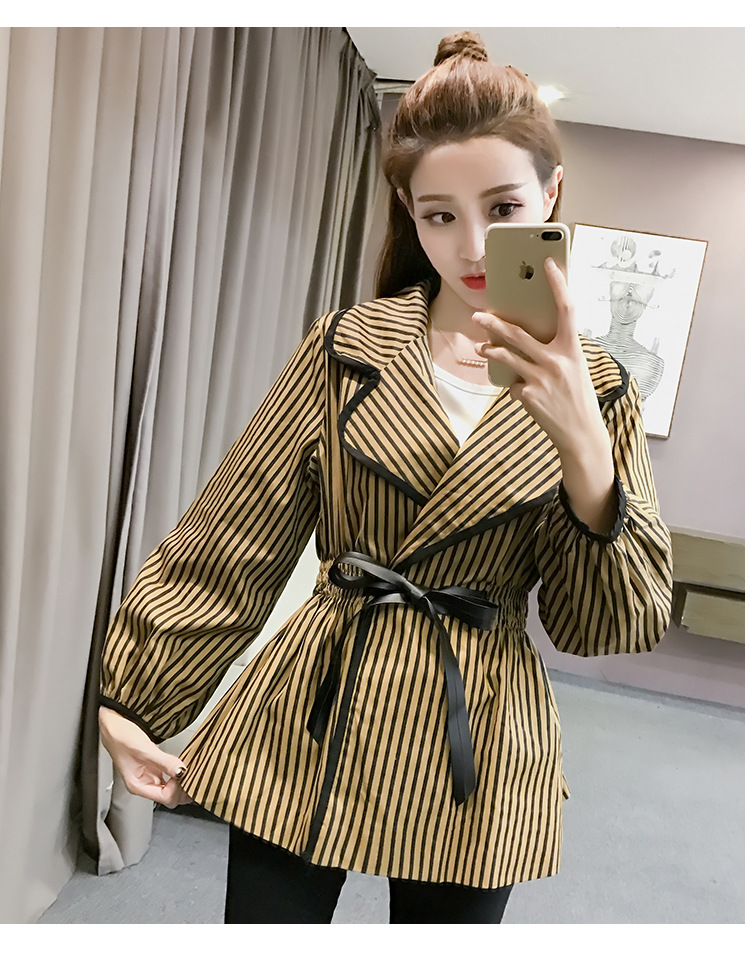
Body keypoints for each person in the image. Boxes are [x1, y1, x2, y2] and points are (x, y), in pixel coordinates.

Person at [98, 31, 673, 924]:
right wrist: (127, 699)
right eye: (440, 215)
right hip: (315, 706)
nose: (474, 245)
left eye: (504, 206)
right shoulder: (345, 348)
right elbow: (233, 539)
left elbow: (606, 621)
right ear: (409, 212)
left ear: (551, 195)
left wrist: (584, 450)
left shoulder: (600, 389)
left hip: (476, 731)